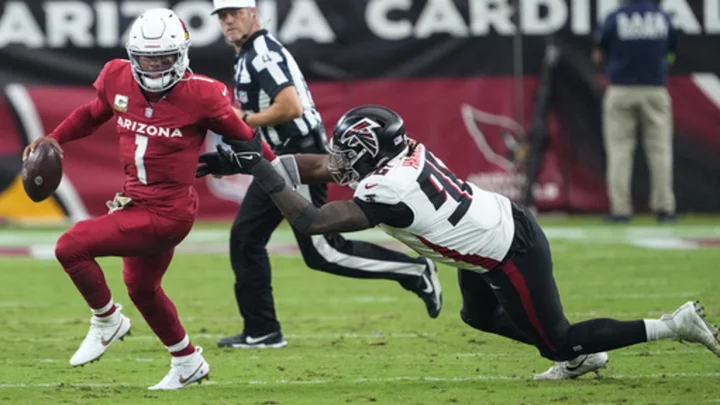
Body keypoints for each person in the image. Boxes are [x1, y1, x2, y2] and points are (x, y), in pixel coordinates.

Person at [199, 104, 720, 379]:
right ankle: (581, 356)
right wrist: (240, 159)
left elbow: (311, 221)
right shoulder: (397, 156)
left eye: (349, 151)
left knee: (557, 338)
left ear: (372, 151)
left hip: (505, 251)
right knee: (476, 317)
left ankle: (671, 325)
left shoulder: (388, 190)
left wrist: (261, 171)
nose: (341, 160)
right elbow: (320, 164)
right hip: (490, 232)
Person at [22, 8, 279, 390]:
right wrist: (55, 138)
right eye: (147, 57)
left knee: (70, 246)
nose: (155, 66)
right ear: (132, 55)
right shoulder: (116, 76)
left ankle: (108, 319)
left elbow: (248, 139)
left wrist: (283, 176)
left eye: (164, 57)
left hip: (168, 213)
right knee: (143, 289)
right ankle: (188, 362)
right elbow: (93, 113)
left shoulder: (202, 95)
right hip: (134, 201)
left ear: (182, 55)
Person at [207, 0, 442, 349]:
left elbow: (290, 106)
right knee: (245, 239)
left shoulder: (261, 54)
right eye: (223, 16)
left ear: (253, 12)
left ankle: (415, 271)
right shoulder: (249, 53)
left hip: (298, 158)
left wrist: (244, 120)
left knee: (323, 251)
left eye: (235, 13)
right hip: (280, 158)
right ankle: (262, 330)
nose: (229, 21)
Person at [594, 0, 677, 223]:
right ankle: (665, 208)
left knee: (619, 152)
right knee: (660, 152)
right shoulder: (662, 18)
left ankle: (621, 210)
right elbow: (671, 54)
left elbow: (600, 52)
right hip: (655, 89)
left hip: (621, 90)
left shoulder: (616, 17)